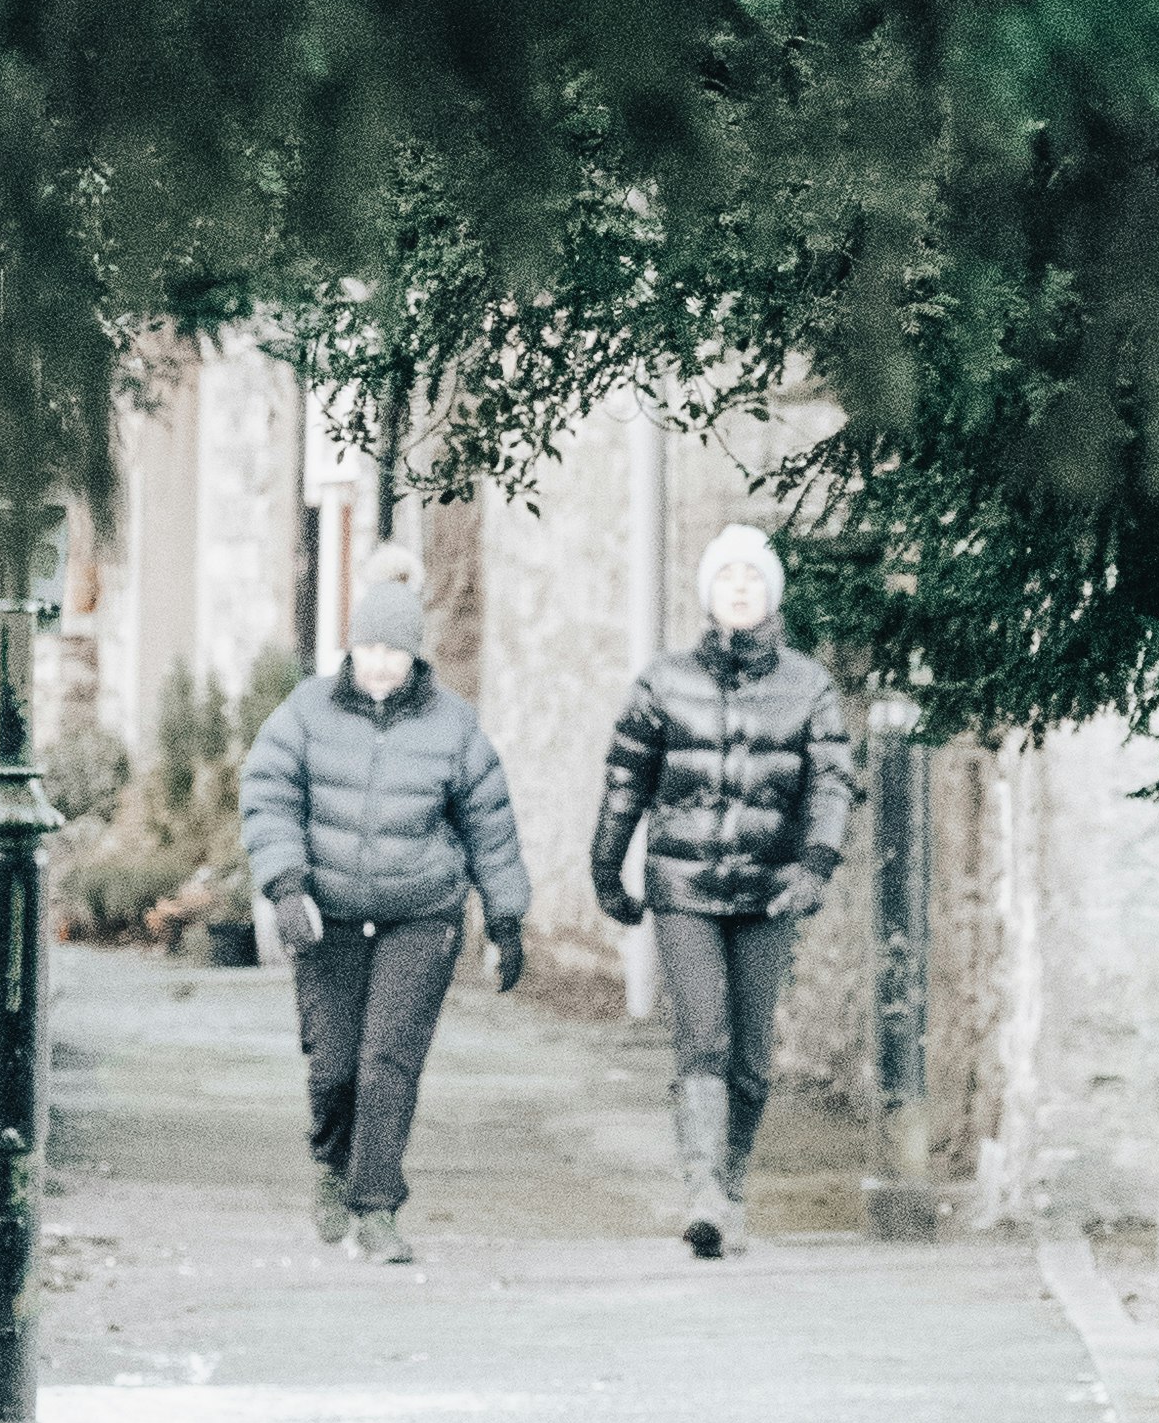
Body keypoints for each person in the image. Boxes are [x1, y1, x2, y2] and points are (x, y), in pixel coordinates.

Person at [237, 570, 527, 1267]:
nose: (380, 663)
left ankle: (378, 1208)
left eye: (394, 651)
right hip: (328, 916)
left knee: (387, 1063)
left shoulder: (452, 726)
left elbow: (490, 824)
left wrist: (506, 919)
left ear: (415, 657)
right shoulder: (305, 713)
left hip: (420, 916)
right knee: (335, 1067)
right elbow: (267, 794)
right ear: (351, 647)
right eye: (369, 647)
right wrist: (284, 887)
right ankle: (333, 1169)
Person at [592, 524, 853, 1255]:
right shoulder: (663, 681)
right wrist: (606, 869)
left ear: (770, 593)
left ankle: (732, 1183)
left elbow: (832, 780)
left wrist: (816, 866)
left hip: (770, 891)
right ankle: (703, 1189)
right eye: (726, 577)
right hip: (685, 888)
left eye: (752, 577)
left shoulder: (809, 685)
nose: (740, 588)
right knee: (701, 1037)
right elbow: (625, 782)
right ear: (709, 593)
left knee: (750, 1054)